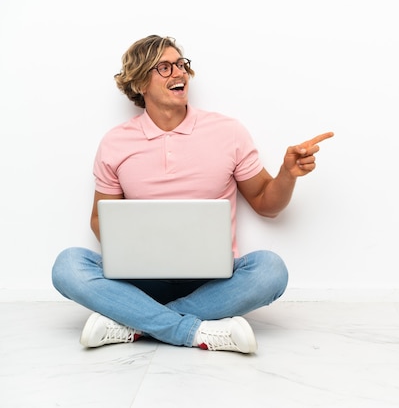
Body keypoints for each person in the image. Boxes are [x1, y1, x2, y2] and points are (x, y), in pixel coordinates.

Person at [51, 35, 333, 354]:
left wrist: (286, 175)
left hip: (212, 281)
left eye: (182, 65)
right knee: (67, 265)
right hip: (141, 280)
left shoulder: (228, 132)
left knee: (271, 270)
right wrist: (138, 247)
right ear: (141, 82)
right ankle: (192, 329)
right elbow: (99, 220)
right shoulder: (115, 142)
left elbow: (267, 205)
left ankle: (134, 324)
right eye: (165, 67)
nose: (180, 73)